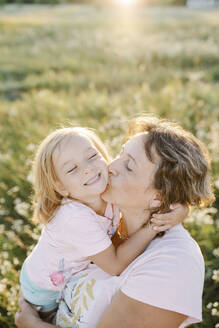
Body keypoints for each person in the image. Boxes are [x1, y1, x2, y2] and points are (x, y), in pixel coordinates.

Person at [15, 116, 214, 328]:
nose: (111, 166)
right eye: (120, 153)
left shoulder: (172, 264)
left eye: (129, 165)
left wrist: (33, 325)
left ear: (159, 198)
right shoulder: (96, 211)